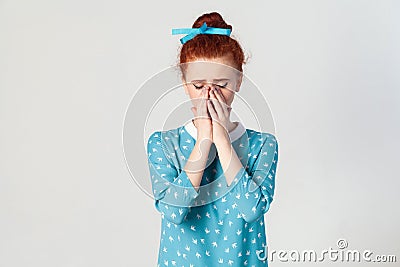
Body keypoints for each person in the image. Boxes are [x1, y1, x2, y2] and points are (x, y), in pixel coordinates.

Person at [146, 11, 279, 267]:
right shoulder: (163, 144)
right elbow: (174, 212)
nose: (209, 95)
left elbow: (251, 209)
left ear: (238, 81)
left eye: (221, 85)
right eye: (198, 86)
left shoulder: (263, 145)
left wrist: (222, 138)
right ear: (184, 83)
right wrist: (204, 140)